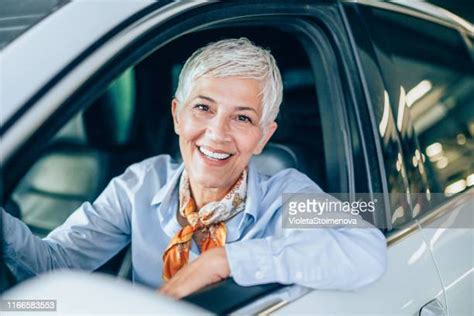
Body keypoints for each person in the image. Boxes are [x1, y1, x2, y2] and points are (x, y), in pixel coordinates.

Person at [2, 38, 387, 299]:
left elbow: (366, 250)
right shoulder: (140, 184)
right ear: (177, 116)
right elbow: (54, 265)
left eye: (242, 118)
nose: (217, 134)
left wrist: (222, 261)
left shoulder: (287, 195)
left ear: (263, 137)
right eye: (203, 108)